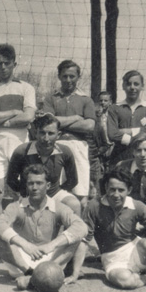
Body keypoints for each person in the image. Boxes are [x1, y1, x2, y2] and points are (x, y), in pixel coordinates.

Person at [0, 164, 88, 291]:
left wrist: (52, 245)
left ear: (47, 186)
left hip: (50, 260)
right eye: (31, 183)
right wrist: (25, 245)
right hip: (22, 261)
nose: (34, 188)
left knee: (79, 240)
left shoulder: (58, 207)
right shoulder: (16, 206)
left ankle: (42, 276)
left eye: (39, 183)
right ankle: (31, 275)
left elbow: (81, 227)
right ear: (26, 185)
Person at [0, 43, 36, 219]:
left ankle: (23, 232)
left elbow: (28, 117)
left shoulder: (26, 88)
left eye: (7, 63)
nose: (3, 67)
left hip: (20, 143)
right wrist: (12, 112)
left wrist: (0, 121)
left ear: (14, 64)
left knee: (20, 192)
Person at [4, 113, 82, 216]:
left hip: (54, 194)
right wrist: (25, 193)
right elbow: (11, 179)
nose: (46, 138)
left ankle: (70, 232)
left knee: (74, 205)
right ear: (36, 133)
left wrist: (55, 191)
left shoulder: (65, 152)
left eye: (51, 133)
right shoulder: (22, 151)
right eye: (42, 133)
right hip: (30, 195)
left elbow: (73, 180)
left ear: (58, 135)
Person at [42, 60, 96, 204]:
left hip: (78, 145)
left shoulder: (86, 100)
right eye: (64, 76)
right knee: (54, 191)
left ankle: (78, 225)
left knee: (80, 193)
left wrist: (60, 123)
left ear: (78, 77)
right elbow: (48, 123)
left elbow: (90, 125)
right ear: (59, 76)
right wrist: (76, 118)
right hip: (56, 145)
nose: (68, 80)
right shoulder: (51, 98)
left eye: (72, 76)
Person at [98, 70, 146, 167]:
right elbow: (112, 134)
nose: (132, 87)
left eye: (136, 84)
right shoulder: (115, 108)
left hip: (143, 156)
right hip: (120, 155)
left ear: (142, 86)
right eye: (128, 84)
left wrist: (127, 131)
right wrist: (139, 134)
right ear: (123, 86)